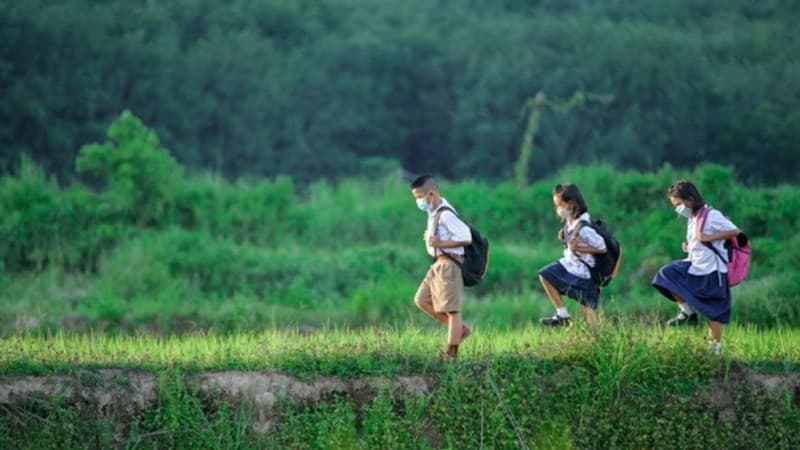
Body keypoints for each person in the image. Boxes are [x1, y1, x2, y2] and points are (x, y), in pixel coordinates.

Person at [652, 180, 740, 355]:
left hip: (712, 269)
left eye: (678, 204)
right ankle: (687, 314)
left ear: (690, 198)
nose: (678, 208)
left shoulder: (711, 214)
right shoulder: (692, 217)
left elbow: (734, 231)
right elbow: (698, 239)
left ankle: (715, 350)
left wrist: (708, 237)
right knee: (666, 275)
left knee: (714, 311)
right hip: (695, 264)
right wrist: (689, 245)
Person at [410, 175, 472, 361]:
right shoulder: (433, 212)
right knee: (421, 299)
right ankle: (459, 330)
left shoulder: (445, 213)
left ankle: (451, 352)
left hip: (449, 264)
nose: (418, 201)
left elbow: (466, 237)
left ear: (431, 193)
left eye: (419, 196)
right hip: (437, 263)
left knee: (452, 309)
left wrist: (440, 243)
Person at [538, 183, 607, 326]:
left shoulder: (583, 227)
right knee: (545, 274)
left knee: (591, 319)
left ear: (570, 204)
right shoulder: (572, 222)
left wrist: (581, 248)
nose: (558, 210)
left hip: (583, 273)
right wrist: (565, 238)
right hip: (571, 266)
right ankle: (562, 314)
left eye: (559, 205)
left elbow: (602, 247)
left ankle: (598, 341)